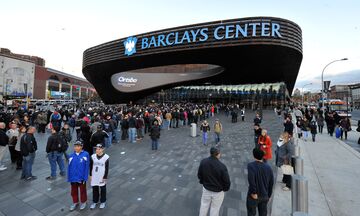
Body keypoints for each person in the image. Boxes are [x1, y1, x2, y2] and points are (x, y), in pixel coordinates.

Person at [198, 147, 231, 216]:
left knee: (204, 205)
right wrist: (225, 189)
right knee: (215, 209)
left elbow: (199, 174)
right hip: (217, 192)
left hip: (206, 189)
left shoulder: (203, 162)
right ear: (218, 154)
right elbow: (227, 182)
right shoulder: (222, 166)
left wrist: (202, 182)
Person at [247, 148, 274, 216]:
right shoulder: (268, 167)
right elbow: (271, 182)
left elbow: (251, 181)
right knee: (263, 213)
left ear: (254, 155)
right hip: (264, 195)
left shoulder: (251, 166)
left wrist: (254, 192)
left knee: (251, 213)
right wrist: (269, 195)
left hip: (254, 196)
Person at [68, 141, 90, 211]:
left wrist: (85, 177)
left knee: (82, 190)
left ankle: (83, 201)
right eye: (75, 146)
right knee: (73, 191)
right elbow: (69, 167)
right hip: (73, 177)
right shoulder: (71, 155)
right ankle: (75, 202)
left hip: (81, 177)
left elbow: (87, 167)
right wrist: (69, 178)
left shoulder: (86, 154)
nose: (76, 147)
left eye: (78, 146)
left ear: (81, 147)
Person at [89, 144, 109, 210]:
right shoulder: (93, 156)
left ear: (102, 149)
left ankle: (103, 201)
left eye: (99, 149)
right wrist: (90, 175)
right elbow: (91, 166)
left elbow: (106, 168)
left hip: (101, 176)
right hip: (94, 175)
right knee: (95, 188)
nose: (97, 150)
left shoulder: (106, 157)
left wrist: (105, 177)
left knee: (103, 188)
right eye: (96, 149)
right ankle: (95, 201)